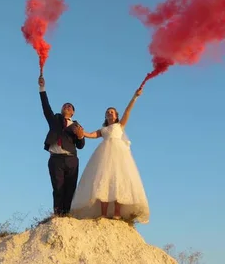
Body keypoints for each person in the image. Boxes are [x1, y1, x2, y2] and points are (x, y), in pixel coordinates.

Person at [70, 88, 150, 223]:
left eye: (111, 112)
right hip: (104, 155)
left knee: (118, 181)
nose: (109, 114)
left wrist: (135, 96)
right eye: (107, 112)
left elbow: (128, 111)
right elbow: (91, 134)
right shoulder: (103, 130)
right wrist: (81, 132)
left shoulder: (120, 125)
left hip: (119, 155)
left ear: (116, 115)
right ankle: (103, 213)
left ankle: (117, 213)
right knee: (103, 181)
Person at [38, 75, 86, 216]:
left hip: (71, 159)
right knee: (58, 187)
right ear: (62, 109)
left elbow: (81, 145)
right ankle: (58, 214)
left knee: (70, 188)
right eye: (65, 105)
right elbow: (46, 106)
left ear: (73, 112)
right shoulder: (55, 120)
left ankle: (68, 214)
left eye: (70, 106)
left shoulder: (77, 126)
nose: (67, 107)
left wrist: (81, 136)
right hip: (56, 159)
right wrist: (42, 88)